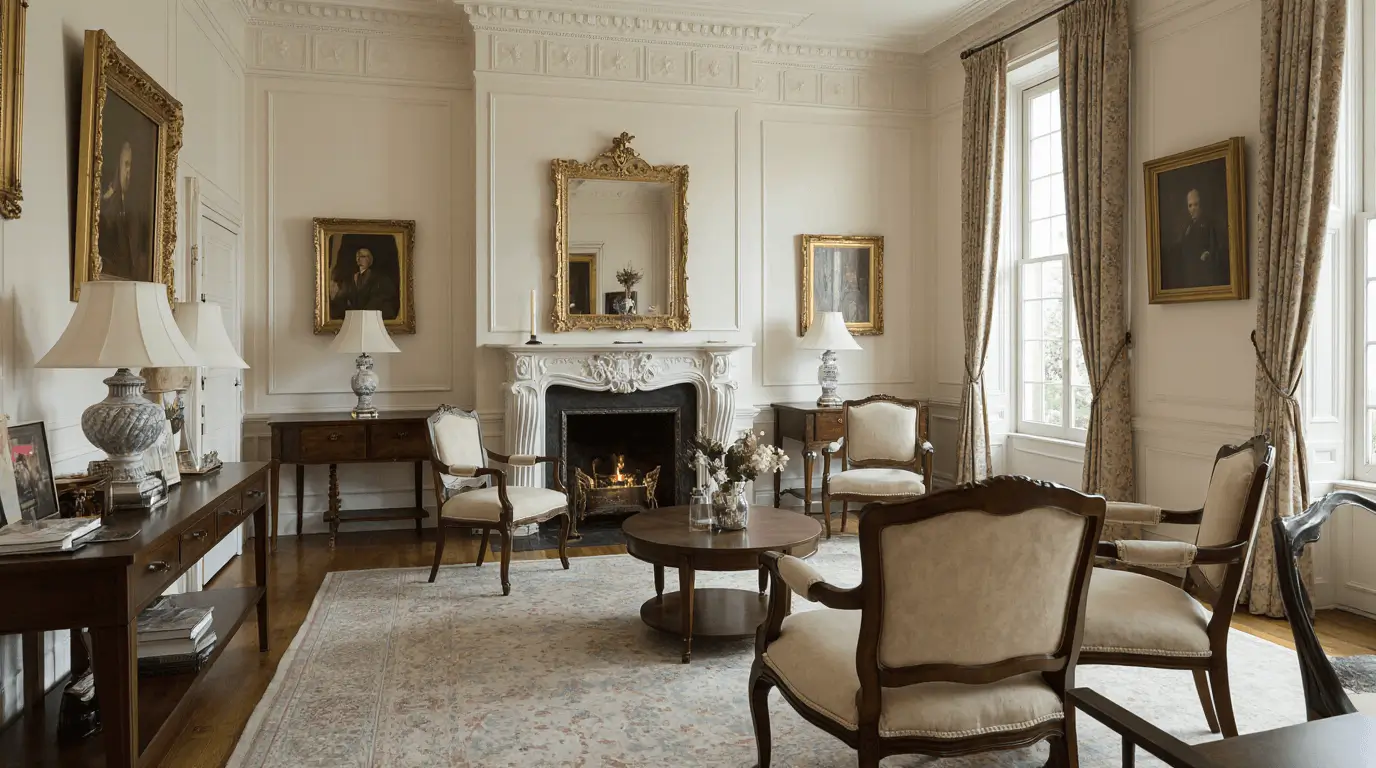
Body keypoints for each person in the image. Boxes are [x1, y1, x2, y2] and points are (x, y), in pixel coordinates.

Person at [98, 141, 149, 280]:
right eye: (126, 165)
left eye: (131, 166)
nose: (129, 172)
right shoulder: (106, 207)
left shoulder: (137, 212)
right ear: (118, 167)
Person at [1169, 188, 1229, 288]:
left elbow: (1216, 247)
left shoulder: (1210, 224)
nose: (1193, 208)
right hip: (1189, 275)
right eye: (1190, 205)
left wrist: (1208, 253)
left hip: (1204, 275)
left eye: (1196, 204)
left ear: (1201, 205)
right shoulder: (1187, 226)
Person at [329, 245, 399, 318]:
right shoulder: (352, 278)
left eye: (363, 256)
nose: (359, 259)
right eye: (358, 257)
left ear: (369, 259)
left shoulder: (377, 278)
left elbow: (378, 299)